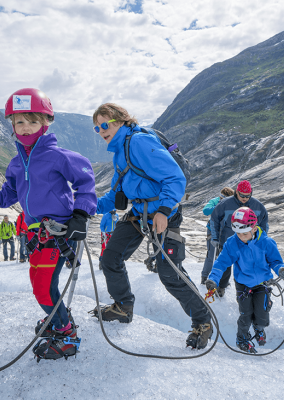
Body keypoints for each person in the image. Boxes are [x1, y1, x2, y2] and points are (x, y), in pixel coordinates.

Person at [0, 88, 96, 361]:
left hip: (58, 232)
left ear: (45, 123)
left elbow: (85, 182)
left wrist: (81, 215)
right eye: (19, 121)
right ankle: (58, 320)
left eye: (32, 121)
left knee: (44, 287)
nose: (25, 128)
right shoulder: (15, 163)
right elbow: (10, 193)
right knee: (40, 284)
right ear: (11, 124)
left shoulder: (59, 156)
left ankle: (66, 335)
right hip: (35, 234)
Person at [91, 103, 213, 350]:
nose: (101, 130)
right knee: (111, 257)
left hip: (163, 215)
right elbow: (114, 196)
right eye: (97, 128)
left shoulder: (138, 143)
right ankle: (123, 307)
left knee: (169, 272)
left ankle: (203, 323)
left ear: (122, 120)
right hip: (139, 214)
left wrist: (165, 210)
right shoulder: (120, 153)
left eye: (105, 124)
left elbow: (174, 177)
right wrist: (84, 206)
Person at [206, 207, 284, 353]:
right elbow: (221, 263)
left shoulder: (267, 243)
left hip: (262, 283)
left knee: (262, 313)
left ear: (254, 228)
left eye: (244, 233)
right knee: (246, 314)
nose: (241, 237)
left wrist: (281, 269)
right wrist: (213, 279)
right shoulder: (232, 243)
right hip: (243, 284)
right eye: (238, 233)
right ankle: (241, 338)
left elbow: (275, 261)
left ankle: (259, 328)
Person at [209, 180, 269, 297]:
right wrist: (215, 238)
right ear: (236, 191)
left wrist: (261, 240)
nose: (244, 198)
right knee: (225, 266)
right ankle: (221, 287)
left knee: (246, 267)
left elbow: (264, 224)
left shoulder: (258, 206)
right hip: (227, 241)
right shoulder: (225, 204)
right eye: (241, 195)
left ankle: (245, 292)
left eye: (247, 196)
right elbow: (214, 219)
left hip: (248, 243)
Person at [200, 187, 234, 285]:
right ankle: (205, 276)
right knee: (211, 254)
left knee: (224, 255)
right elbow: (206, 211)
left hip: (225, 231)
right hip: (213, 230)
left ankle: (222, 279)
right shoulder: (215, 201)